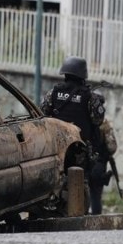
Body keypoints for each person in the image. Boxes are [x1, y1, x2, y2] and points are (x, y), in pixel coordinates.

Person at [40, 56, 106, 214]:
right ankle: (78, 210)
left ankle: (51, 206)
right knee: (81, 180)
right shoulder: (90, 97)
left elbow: (42, 113)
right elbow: (98, 120)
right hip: (79, 148)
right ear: (83, 75)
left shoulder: (53, 93)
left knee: (55, 178)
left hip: (55, 147)